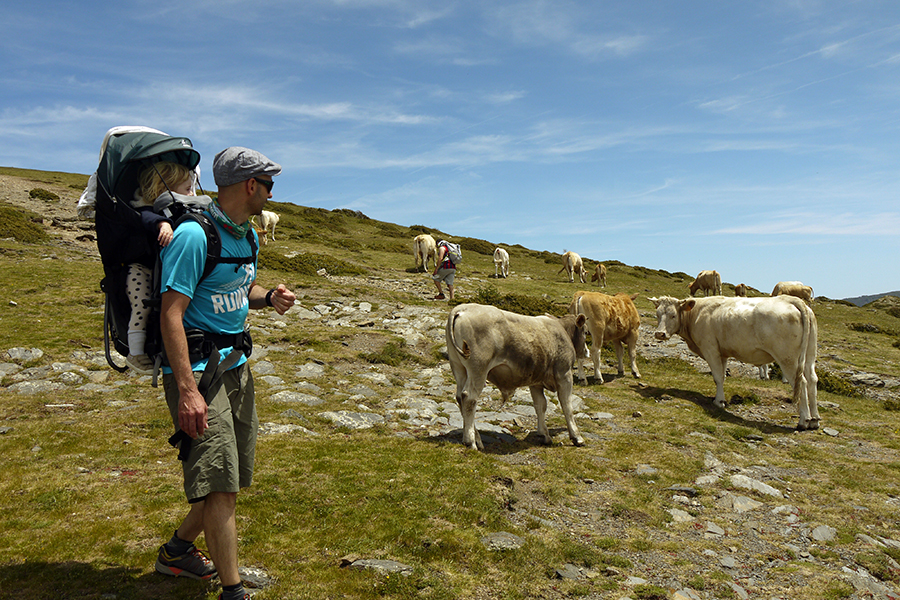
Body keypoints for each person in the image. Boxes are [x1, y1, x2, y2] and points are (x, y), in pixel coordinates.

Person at [154, 147, 296, 600]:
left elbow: (239, 287)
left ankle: (177, 551)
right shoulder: (193, 236)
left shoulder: (247, 236)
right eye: (268, 185)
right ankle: (233, 591)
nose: (272, 193)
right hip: (200, 375)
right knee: (220, 487)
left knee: (228, 479)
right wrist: (187, 391)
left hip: (237, 370)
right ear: (251, 185)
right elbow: (171, 314)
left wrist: (267, 297)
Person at [125, 161, 193, 373]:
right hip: (140, 270)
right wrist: (163, 224)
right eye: (187, 189)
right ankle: (135, 353)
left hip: (160, 272)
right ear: (166, 189)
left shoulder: (178, 210)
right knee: (142, 307)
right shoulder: (145, 209)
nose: (191, 194)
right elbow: (147, 217)